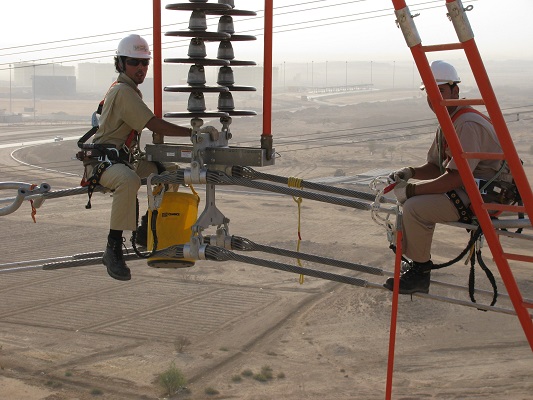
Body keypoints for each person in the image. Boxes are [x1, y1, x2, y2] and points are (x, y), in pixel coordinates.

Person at [383, 60, 514, 295]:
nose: (434, 99)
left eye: (440, 91)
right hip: (473, 187)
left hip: (486, 195)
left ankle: (420, 273)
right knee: (413, 203)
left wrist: (412, 190)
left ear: (456, 90)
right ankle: (417, 265)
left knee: (415, 208)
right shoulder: (450, 121)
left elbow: (454, 178)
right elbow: (436, 166)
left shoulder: (466, 124)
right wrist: (411, 173)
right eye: (431, 93)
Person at [85, 34, 192, 281]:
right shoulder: (123, 91)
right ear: (121, 63)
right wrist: (192, 134)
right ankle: (112, 249)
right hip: (105, 164)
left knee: (171, 171)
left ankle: (146, 228)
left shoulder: (130, 91)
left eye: (145, 63)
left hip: (124, 160)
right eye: (135, 62)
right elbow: (154, 124)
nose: (141, 68)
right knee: (129, 180)